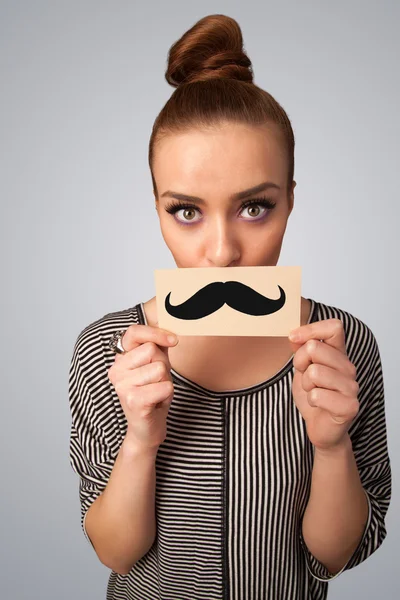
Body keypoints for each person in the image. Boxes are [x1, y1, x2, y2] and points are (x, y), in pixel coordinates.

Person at [68, 13, 392, 600]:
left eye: (254, 207)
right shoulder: (107, 348)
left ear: (290, 200)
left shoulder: (342, 345)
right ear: (156, 206)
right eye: (186, 211)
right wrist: (141, 439)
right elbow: (114, 553)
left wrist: (332, 444)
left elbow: (338, 556)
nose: (221, 252)